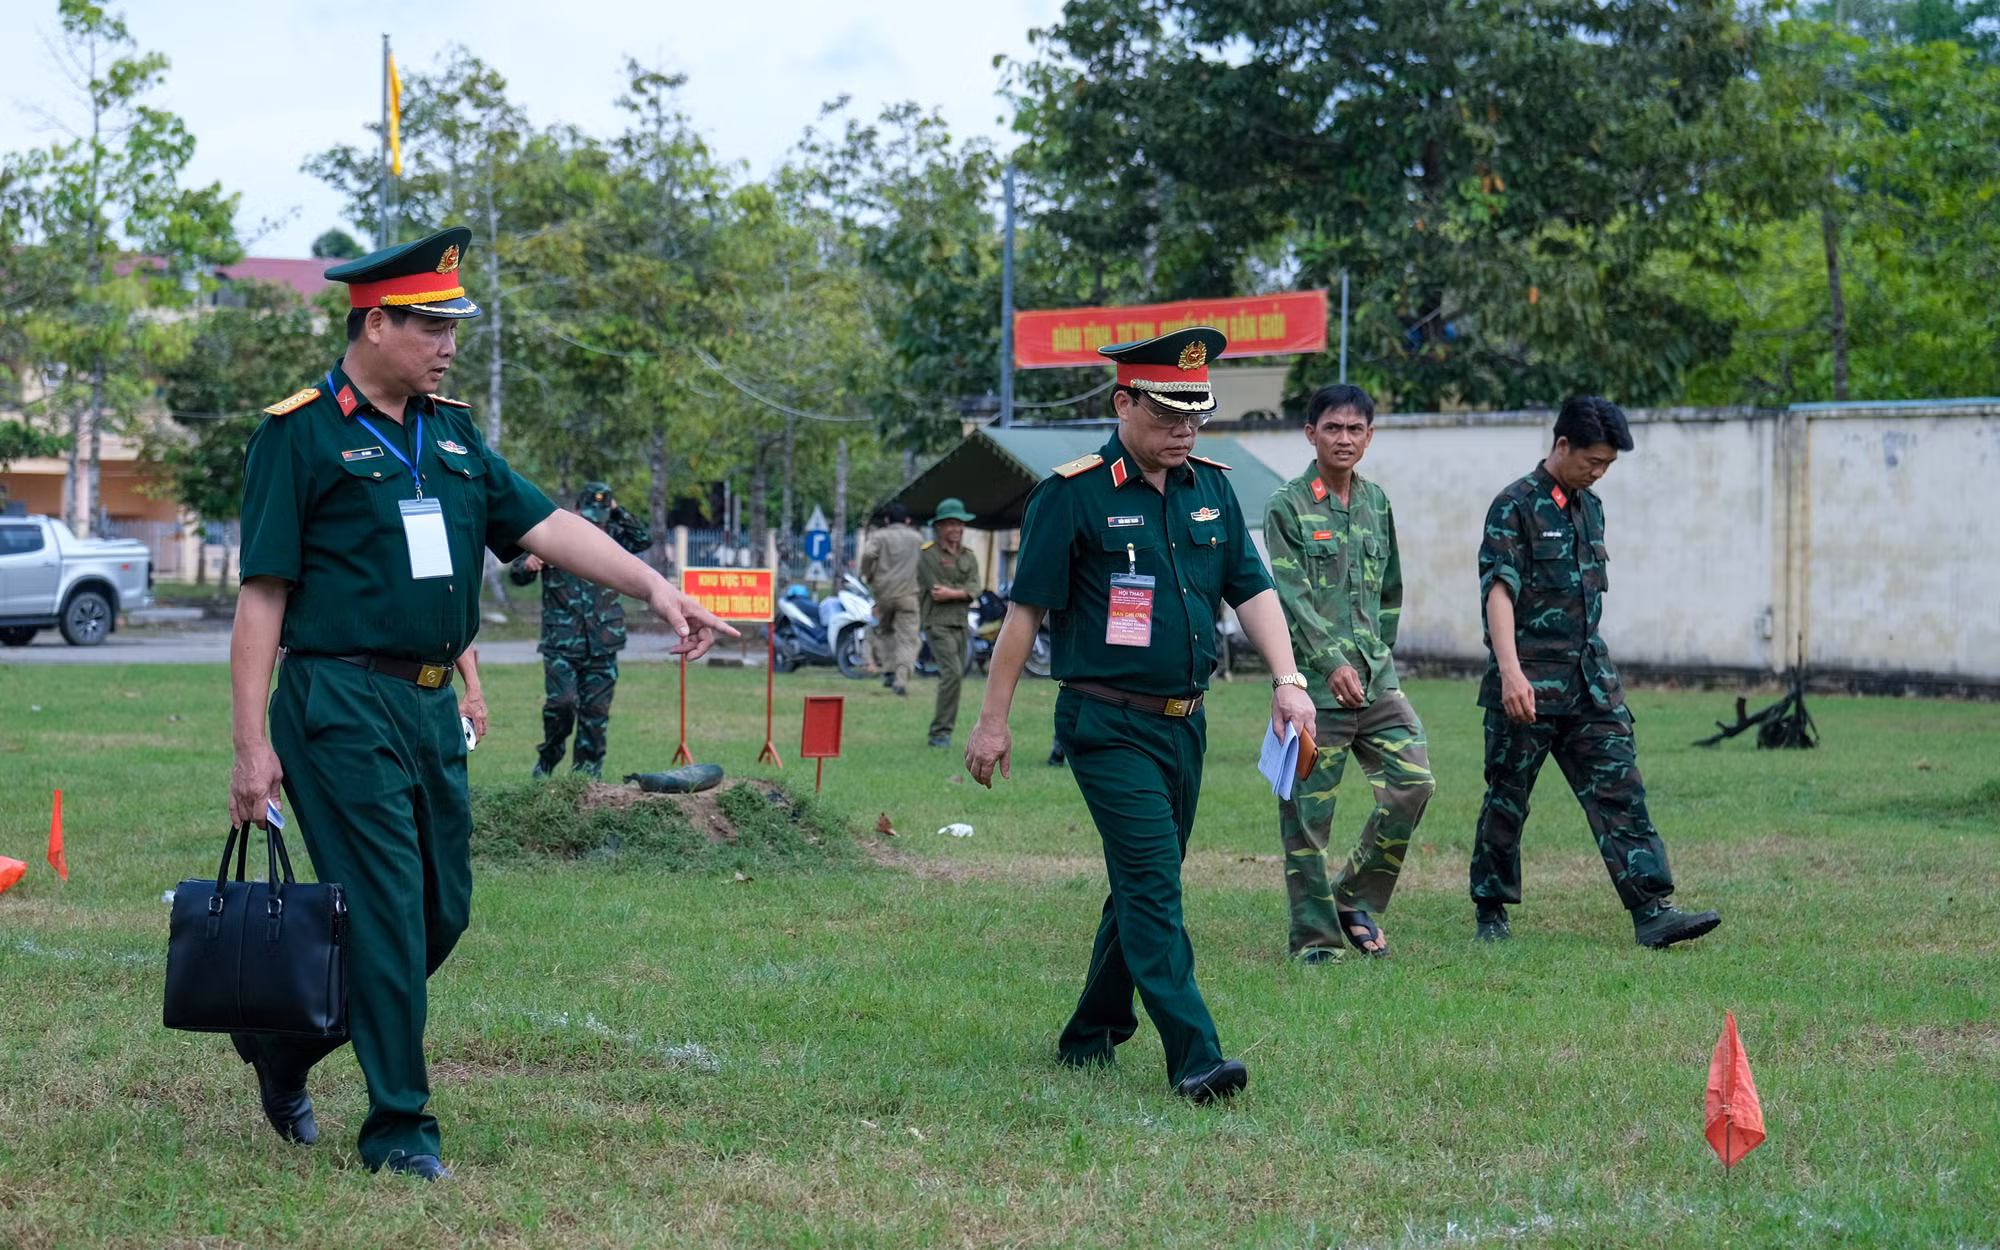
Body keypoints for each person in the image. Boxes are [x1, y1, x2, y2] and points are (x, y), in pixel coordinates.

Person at [226, 226, 735, 1181]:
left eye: (455, 327)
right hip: (340, 702)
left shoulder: (452, 434)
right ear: (376, 324)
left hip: (429, 708)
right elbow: (262, 597)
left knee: (440, 914)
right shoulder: (299, 435)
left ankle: (285, 1049)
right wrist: (251, 745)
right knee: (385, 911)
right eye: (432, 327)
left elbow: (548, 524)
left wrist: (656, 588)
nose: (449, 345)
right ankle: (400, 1129)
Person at [965, 326, 1315, 1105]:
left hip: (1185, 724)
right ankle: (1196, 1057)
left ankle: (1089, 1033)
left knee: (1142, 880)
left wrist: (1288, 680)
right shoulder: (1072, 493)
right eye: (1166, 415)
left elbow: (1252, 589)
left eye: (1195, 415)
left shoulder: (1211, 488)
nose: (1184, 431)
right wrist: (992, 722)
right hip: (1106, 723)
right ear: (1123, 403)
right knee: (1155, 885)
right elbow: (1023, 617)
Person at [1471, 395, 1720, 949]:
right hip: (1529, 683)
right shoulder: (1514, 505)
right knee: (1508, 798)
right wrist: (1510, 672)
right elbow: (1499, 590)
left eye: (1607, 464)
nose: (1599, 472)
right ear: (1563, 445)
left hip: (1590, 683)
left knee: (1620, 789)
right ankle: (1491, 909)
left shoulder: (1591, 508)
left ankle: (1652, 910)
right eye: (1593, 461)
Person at [1264, 383, 1434, 962]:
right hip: (1312, 691)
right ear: (1310, 434)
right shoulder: (1288, 505)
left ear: (1369, 436)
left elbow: (1390, 590)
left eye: (1355, 429)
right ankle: (1315, 940)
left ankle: (1352, 897)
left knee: (1414, 783)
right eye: (1332, 428)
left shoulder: (1376, 502)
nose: (1344, 438)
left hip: (1376, 682)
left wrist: (1376, 656)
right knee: (1307, 820)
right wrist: (1330, 661)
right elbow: (1292, 598)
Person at [509, 482, 652, 778]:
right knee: (561, 704)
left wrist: (616, 511)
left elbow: (643, 539)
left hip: (604, 642)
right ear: (575, 510)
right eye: (589, 515)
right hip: (562, 643)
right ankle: (549, 757)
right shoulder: (553, 538)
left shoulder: (613, 539)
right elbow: (518, 575)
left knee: (596, 715)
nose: (594, 523)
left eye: (600, 516)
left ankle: (587, 781)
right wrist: (528, 564)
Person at [918, 496, 981, 747]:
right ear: (939, 526)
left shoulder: (969, 556)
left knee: (956, 674)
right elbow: (937, 591)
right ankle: (940, 734)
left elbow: (975, 588)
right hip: (937, 622)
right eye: (952, 523)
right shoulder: (928, 555)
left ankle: (943, 731)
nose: (957, 529)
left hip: (961, 622)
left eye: (960, 523)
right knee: (952, 674)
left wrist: (954, 592)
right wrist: (963, 592)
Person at [859, 502, 923, 695]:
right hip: (908, 594)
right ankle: (901, 679)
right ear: (908, 521)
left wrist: (867, 575)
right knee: (908, 638)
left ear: (887, 520)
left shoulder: (880, 536)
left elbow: (868, 553)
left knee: (885, 631)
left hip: (884, 593)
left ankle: (888, 670)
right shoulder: (917, 538)